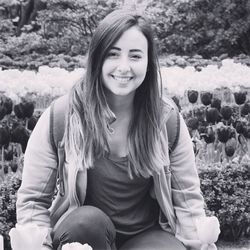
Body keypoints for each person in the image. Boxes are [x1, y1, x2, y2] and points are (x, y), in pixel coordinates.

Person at [16, 8, 218, 250]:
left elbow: (187, 198)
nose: (124, 67)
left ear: (149, 62)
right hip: (84, 235)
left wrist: (198, 242)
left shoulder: (165, 119)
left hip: (145, 235)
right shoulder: (62, 117)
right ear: (97, 57)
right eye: (113, 54)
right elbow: (33, 201)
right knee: (86, 223)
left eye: (135, 56)